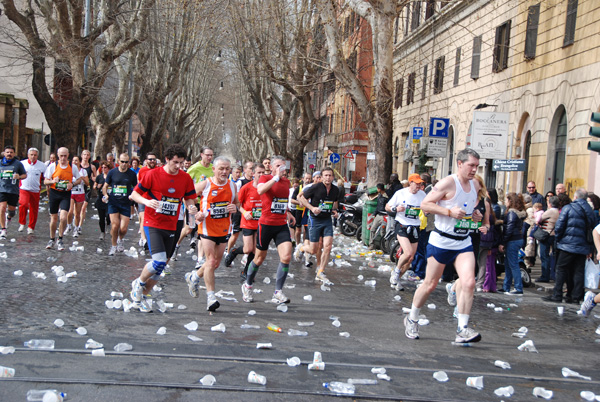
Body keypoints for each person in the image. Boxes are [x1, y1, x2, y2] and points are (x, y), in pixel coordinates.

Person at [403, 149, 483, 343]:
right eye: (471, 165)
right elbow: (425, 204)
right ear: (460, 164)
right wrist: (448, 212)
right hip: (441, 240)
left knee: (469, 282)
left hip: (463, 240)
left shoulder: (475, 185)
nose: (474, 169)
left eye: (476, 166)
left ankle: (462, 329)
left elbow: (469, 211)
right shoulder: (448, 182)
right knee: (430, 284)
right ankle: (412, 318)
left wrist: (475, 217)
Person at [129, 144, 197, 312]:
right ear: (167, 159)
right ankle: (139, 282)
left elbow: (189, 199)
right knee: (158, 261)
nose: (179, 166)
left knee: (161, 267)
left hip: (174, 225)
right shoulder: (152, 174)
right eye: (175, 162)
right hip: (153, 223)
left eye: (181, 163)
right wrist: (146, 202)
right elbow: (134, 194)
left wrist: (191, 207)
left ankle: (143, 296)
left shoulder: (185, 178)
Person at [185, 156, 238, 312]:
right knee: (210, 260)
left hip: (224, 228)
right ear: (214, 169)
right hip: (207, 228)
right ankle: (211, 297)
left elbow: (237, 203)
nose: (224, 171)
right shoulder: (206, 183)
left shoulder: (233, 186)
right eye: (221, 168)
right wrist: (194, 212)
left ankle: (193, 277)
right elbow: (188, 197)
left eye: (227, 169)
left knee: (214, 264)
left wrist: (234, 208)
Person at [240, 155, 296, 304]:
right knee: (259, 259)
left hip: (281, 225)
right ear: (270, 167)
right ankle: (248, 285)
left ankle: (278, 292)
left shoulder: (287, 182)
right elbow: (260, 191)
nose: (281, 169)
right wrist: (275, 178)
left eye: (283, 166)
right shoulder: (265, 178)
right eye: (278, 166)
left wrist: (288, 213)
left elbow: (282, 201)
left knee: (286, 257)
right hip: (266, 224)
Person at [543, 188, 596, 303]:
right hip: (582, 247)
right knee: (578, 271)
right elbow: (594, 228)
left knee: (561, 269)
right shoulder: (590, 211)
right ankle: (575, 297)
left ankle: (557, 294)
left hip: (567, 245)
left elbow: (559, 226)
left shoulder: (568, 208)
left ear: (575, 197)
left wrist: (559, 240)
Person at [298, 167, 339, 284]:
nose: (328, 178)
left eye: (330, 175)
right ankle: (301, 248)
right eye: (326, 175)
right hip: (314, 219)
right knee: (313, 249)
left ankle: (321, 271)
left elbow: (333, 204)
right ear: (321, 177)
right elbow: (302, 198)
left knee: (328, 246)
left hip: (326, 220)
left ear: (333, 177)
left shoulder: (335, 190)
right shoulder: (315, 187)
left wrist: (335, 211)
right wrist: (312, 208)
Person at [386, 174, 426, 290]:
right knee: (407, 253)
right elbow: (387, 206)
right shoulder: (401, 193)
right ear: (410, 183)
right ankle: (396, 272)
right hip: (402, 225)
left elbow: (427, 207)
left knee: (410, 258)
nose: (419, 186)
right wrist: (395, 209)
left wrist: (427, 211)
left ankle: (397, 278)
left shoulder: (422, 195)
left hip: (415, 228)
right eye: (417, 183)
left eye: (420, 184)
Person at [225, 163, 264, 280]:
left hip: (260, 222)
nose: (261, 175)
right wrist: (244, 212)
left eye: (263, 173)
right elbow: (237, 203)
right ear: (253, 174)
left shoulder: (266, 188)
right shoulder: (246, 188)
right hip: (247, 222)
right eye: (259, 173)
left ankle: (246, 272)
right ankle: (234, 252)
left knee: (254, 250)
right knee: (247, 249)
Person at [44, 147, 82, 250]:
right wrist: (52, 181)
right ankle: (52, 239)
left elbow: (79, 179)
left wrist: (72, 184)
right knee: (54, 218)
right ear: (58, 156)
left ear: (68, 155)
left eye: (65, 156)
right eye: (61, 156)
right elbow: (45, 181)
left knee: (63, 218)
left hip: (65, 194)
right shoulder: (53, 166)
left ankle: (60, 239)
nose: (63, 158)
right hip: (54, 193)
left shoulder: (72, 167)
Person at [103, 153, 138, 256]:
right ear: (118, 161)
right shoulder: (112, 172)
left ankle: (120, 239)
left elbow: (136, 187)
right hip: (113, 202)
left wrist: (133, 195)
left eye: (126, 162)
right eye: (122, 162)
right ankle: (113, 246)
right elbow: (105, 186)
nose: (124, 164)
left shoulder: (131, 174)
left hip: (126, 203)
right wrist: (106, 195)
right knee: (114, 226)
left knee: (123, 228)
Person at [187, 146, 215, 264]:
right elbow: (186, 182)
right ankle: (176, 245)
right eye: (207, 155)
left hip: (207, 204)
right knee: (189, 228)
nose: (209, 157)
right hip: (194, 202)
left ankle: (200, 259)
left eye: (211, 155)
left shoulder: (213, 169)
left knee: (203, 231)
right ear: (201, 155)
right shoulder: (194, 168)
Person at [499, 193, 527, 295]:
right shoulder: (518, 213)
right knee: (508, 264)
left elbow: (509, 229)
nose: (505, 202)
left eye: (506, 200)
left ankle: (518, 288)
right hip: (517, 239)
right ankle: (506, 286)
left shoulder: (511, 213)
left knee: (513, 264)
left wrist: (503, 242)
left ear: (510, 201)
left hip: (512, 240)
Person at [0, 145, 27, 239]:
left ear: (14, 154)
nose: (9, 154)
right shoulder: (0, 163)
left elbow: (24, 175)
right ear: (4, 153)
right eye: (7, 152)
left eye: (11, 152)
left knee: (12, 211)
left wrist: (18, 177)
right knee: (2, 208)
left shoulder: (18, 164)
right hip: (2, 189)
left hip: (13, 190)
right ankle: (3, 229)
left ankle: (9, 217)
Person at [18, 147, 45, 234]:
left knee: (34, 209)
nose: (33, 157)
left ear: (37, 156)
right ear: (28, 155)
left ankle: (31, 227)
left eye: (35, 155)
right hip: (24, 189)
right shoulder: (22, 163)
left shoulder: (42, 165)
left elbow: (47, 176)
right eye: (31, 155)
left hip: (35, 190)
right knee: (24, 204)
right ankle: (22, 223)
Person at [472, 175, 491, 293]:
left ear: (480, 186)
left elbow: (487, 223)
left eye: (475, 184)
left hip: (475, 237)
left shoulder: (485, 203)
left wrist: (485, 228)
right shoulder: (462, 199)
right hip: (461, 235)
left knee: (472, 265)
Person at [136, 152, 157, 248]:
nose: (152, 161)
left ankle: (151, 238)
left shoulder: (159, 170)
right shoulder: (142, 171)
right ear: (146, 161)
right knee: (143, 218)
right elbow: (139, 184)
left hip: (155, 199)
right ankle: (144, 240)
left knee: (154, 220)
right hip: (143, 198)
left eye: (154, 159)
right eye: (150, 159)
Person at [537, 196, 560, 283]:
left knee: (544, 256)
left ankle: (545, 276)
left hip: (546, 235)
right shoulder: (558, 212)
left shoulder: (550, 211)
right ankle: (551, 274)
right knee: (552, 255)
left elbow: (539, 219)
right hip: (553, 235)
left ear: (549, 203)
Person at [65, 155, 88, 238]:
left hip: (80, 193)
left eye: (76, 160)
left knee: (77, 213)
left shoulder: (83, 171)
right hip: (71, 192)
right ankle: (69, 226)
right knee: (70, 211)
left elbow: (87, 183)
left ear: (79, 162)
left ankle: (76, 228)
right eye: (73, 160)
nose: (75, 162)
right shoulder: (69, 170)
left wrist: (82, 178)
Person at [224, 164, 243, 263]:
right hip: (231, 210)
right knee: (234, 232)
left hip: (239, 209)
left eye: (239, 172)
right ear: (232, 172)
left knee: (236, 232)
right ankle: (228, 251)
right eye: (236, 172)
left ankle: (228, 248)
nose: (238, 174)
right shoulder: (229, 182)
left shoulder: (241, 182)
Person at [94, 161, 112, 240]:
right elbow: (94, 186)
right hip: (101, 199)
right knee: (101, 217)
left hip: (109, 198)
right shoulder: (99, 177)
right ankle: (102, 232)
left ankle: (108, 223)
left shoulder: (111, 177)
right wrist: (98, 186)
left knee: (108, 215)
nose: (104, 169)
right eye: (102, 168)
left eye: (105, 168)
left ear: (109, 169)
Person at [79, 150, 96, 230]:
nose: (86, 156)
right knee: (77, 208)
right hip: (78, 188)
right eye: (84, 154)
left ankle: (80, 226)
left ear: (89, 156)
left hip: (87, 188)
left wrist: (94, 180)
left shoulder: (92, 167)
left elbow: (96, 177)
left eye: (87, 155)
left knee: (83, 207)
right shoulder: (78, 166)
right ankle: (76, 220)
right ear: (82, 156)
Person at [368, 183, 388, 250]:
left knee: (383, 232)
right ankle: (371, 244)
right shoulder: (379, 196)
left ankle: (384, 246)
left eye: (377, 188)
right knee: (372, 229)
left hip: (384, 216)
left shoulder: (386, 197)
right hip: (378, 215)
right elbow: (378, 206)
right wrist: (374, 213)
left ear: (379, 189)